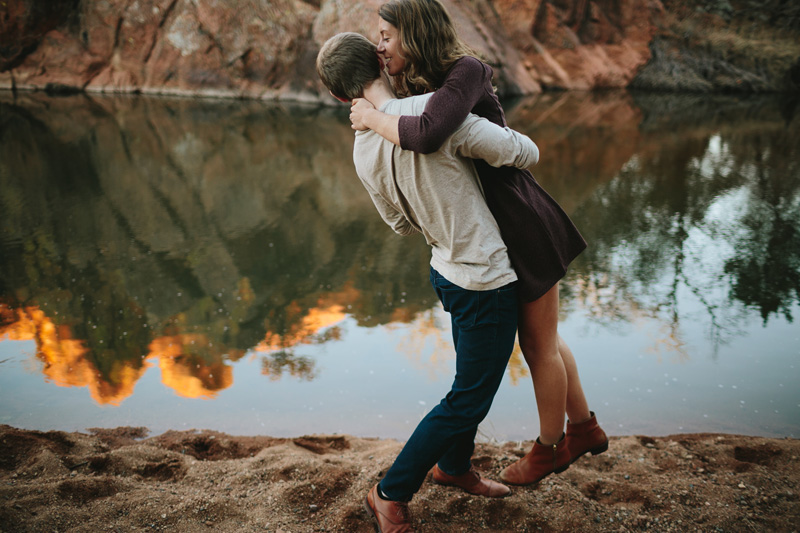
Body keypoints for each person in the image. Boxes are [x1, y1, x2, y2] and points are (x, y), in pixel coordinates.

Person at [349, 0, 608, 488]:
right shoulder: (420, 84)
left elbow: (427, 134)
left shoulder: (464, 71)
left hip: (518, 220)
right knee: (546, 337)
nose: (379, 46)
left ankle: (550, 449)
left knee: (538, 344)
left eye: (386, 35)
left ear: (415, 32)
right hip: (488, 227)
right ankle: (586, 428)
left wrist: (375, 114)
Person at [317, 31, 542, 532]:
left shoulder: (362, 148)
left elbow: (398, 224)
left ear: (340, 96)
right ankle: (390, 491)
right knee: (469, 398)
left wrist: (431, 202)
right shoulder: (434, 112)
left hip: (445, 269)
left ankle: (454, 468)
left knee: (468, 383)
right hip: (484, 276)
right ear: (381, 61)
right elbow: (522, 152)